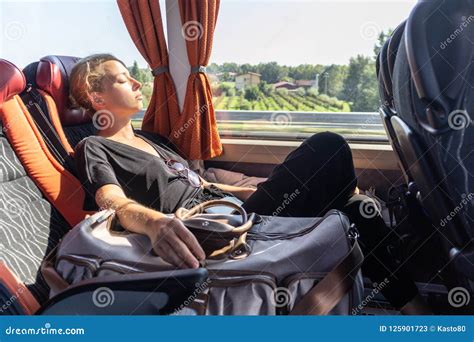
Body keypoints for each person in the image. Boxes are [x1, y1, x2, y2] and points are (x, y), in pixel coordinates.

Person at [71, 54, 430, 314]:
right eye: (122, 79)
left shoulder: (155, 139)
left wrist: (257, 190)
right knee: (328, 145)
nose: (136, 82)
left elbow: (200, 184)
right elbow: (110, 202)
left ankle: (420, 318)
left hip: (235, 210)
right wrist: (155, 224)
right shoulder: (95, 147)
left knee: (356, 210)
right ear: (96, 98)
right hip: (213, 231)